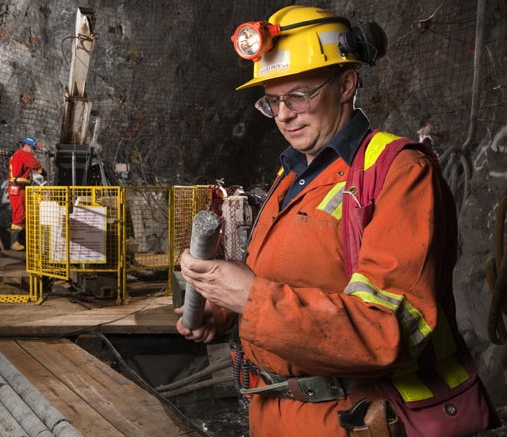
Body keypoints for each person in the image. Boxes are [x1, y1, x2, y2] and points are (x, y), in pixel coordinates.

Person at [176, 6, 498, 437]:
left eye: (298, 96)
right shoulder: (289, 176)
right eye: (272, 101)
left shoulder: (397, 173)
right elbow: (287, 280)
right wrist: (225, 312)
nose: (284, 115)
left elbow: (389, 332)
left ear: (346, 84)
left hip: (350, 420)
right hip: (273, 413)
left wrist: (249, 299)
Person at [7, 136, 43, 251]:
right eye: (33, 148)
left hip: (21, 189)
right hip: (18, 189)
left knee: (23, 213)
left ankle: (21, 241)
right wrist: (42, 170)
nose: (33, 151)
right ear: (27, 146)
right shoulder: (23, 154)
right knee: (19, 214)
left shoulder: (20, 154)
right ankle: (14, 243)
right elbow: (34, 164)